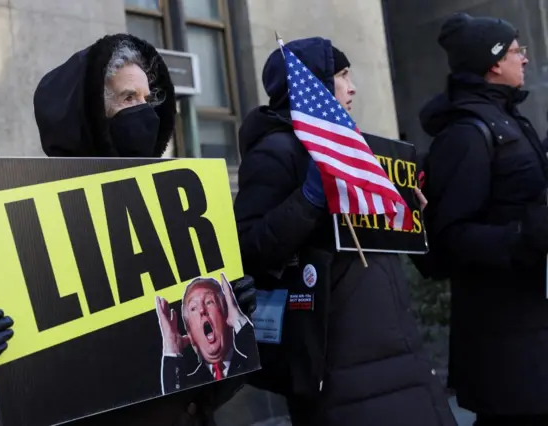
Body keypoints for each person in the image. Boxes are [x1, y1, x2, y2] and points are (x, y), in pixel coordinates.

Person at [0, 33, 257, 426]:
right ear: (91, 115)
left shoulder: (174, 206)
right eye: (128, 98)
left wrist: (235, 321)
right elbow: (33, 383)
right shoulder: (35, 219)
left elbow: (208, 383)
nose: (144, 111)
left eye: (148, 100)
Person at [233, 36, 457, 426]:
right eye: (340, 75)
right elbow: (248, 248)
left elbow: (379, 244)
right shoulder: (277, 153)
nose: (352, 87)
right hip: (338, 364)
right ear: (313, 85)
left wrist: (407, 214)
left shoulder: (357, 149)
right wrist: (310, 197)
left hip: (396, 348)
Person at [419, 13, 548, 426]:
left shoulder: (509, 120)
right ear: (493, 63)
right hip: (505, 342)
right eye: (515, 51)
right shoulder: (467, 135)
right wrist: (525, 237)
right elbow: (449, 236)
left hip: (533, 326)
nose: (523, 59)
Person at [158, 274, 258, 394]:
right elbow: (173, 405)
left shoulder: (250, 361)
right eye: (193, 308)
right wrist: (171, 348)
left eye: (209, 302)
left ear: (226, 314)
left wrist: (239, 321)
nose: (202, 310)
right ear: (190, 333)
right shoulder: (187, 385)